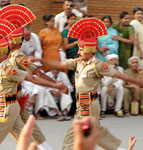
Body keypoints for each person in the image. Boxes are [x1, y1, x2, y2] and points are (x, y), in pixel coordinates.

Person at [32, 18, 143, 150]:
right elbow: (60, 64)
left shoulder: (98, 65)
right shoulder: (77, 62)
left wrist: (138, 81)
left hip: (89, 105)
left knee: (73, 135)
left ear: (90, 50)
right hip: (82, 104)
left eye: (81, 50)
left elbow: (118, 74)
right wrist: (40, 59)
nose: (78, 52)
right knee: (96, 133)